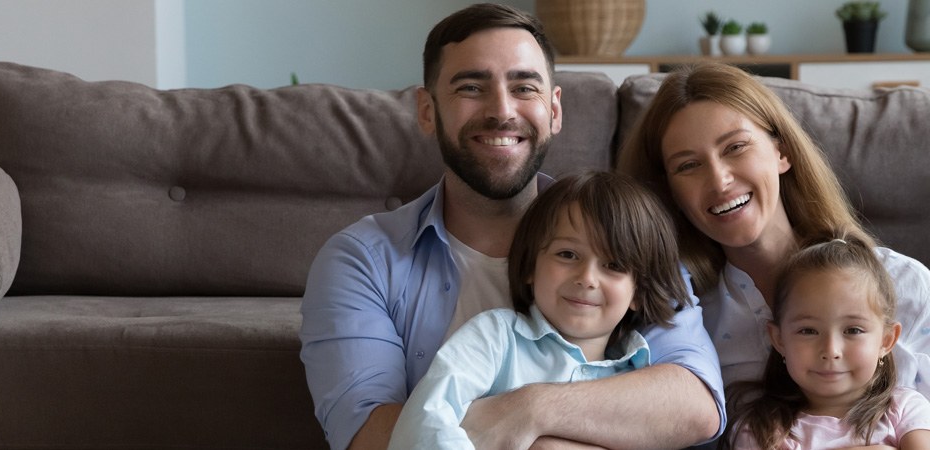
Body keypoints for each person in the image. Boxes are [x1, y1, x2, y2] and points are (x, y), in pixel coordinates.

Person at [300, 4, 724, 450]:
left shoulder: (622, 232)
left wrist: (530, 410)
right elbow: (367, 434)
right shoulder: (362, 260)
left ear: (554, 110)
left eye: (524, 87)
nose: (502, 110)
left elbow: (695, 402)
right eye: (471, 87)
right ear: (427, 111)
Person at [617, 62, 930, 402]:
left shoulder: (905, 286)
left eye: (735, 147)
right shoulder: (685, 323)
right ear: (670, 192)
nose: (719, 181)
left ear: (782, 152)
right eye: (688, 165)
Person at [388, 171, 693, 449]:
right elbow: (428, 415)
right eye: (568, 254)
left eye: (613, 265)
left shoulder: (641, 376)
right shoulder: (494, 339)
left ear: (637, 292)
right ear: (531, 265)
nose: (587, 278)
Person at [723, 233, 930, 449]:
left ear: (886, 341)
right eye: (808, 331)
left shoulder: (905, 410)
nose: (831, 350)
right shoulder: (760, 432)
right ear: (779, 339)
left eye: (853, 330)